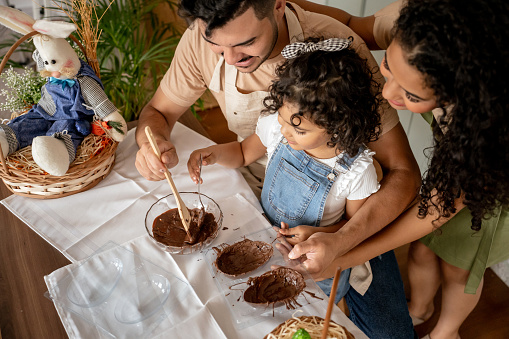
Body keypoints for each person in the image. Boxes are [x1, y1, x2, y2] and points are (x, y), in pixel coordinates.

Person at [134, 0, 421, 337]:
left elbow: (403, 174)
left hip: (342, 216)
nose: (228, 59)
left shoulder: (335, 59)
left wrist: (340, 239)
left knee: (385, 331)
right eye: (216, 46)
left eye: (244, 43)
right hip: (263, 195)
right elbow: (159, 112)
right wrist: (150, 143)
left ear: (278, 6)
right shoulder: (269, 122)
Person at [284, 1, 509, 339]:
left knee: (459, 265)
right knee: (423, 248)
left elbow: (437, 208)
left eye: (411, 94)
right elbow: (350, 22)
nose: (387, 93)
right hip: (457, 169)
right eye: (387, 65)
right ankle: (421, 309)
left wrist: (343, 255)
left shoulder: (488, 139)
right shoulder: (424, 27)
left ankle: (447, 332)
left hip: (492, 187)